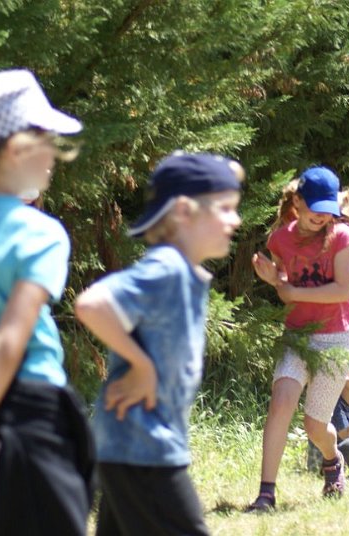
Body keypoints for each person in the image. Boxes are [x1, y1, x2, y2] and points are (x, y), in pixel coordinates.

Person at [0, 69, 93, 536]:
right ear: (17, 149)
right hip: (22, 421)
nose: (54, 152)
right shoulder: (37, 233)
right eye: (47, 138)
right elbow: (7, 347)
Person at [74, 152, 244, 535]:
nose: (236, 220)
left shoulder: (181, 271)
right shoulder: (167, 267)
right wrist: (142, 365)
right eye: (225, 208)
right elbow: (92, 304)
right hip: (144, 448)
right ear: (183, 211)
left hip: (129, 447)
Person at [248, 166, 349, 511]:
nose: (322, 217)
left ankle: (332, 461)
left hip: (336, 338)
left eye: (327, 210)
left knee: (314, 426)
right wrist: (274, 279)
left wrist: (288, 291)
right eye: (315, 208)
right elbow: (286, 288)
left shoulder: (342, 237)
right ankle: (266, 493)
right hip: (298, 336)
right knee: (281, 403)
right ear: (299, 201)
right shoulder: (280, 239)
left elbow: (342, 290)